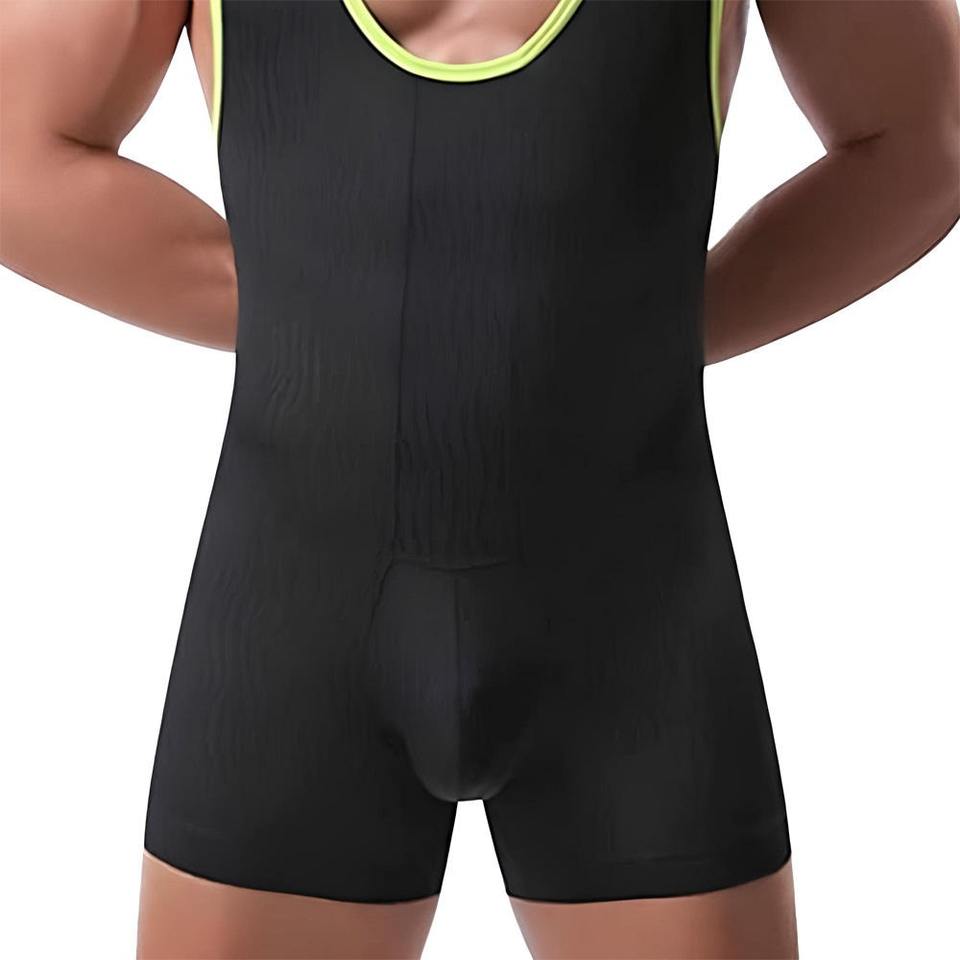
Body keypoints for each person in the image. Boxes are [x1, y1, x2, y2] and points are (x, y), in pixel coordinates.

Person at [1, 2, 957, 958]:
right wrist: (323, 309)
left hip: (634, 639)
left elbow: (928, 140)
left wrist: (623, 321)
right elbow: (15, 150)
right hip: (297, 629)